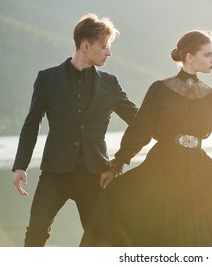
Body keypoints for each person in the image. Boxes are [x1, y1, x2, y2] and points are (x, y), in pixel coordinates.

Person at [80, 30, 212, 247]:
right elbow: (140, 130)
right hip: (163, 167)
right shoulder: (159, 90)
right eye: (207, 55)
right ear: (189, 57)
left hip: (200, 170)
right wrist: (117, 164)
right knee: (123, 201)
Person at [11, 13, 138, 247]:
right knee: (35, 234)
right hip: (55, 174)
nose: (109, 53)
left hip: (94, 176)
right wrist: (20, 165)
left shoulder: (110, 83)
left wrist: (119, 162)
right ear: (85, 45)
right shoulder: (47, 79)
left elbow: (139, 122)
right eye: (105, 47)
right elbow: (31, 124)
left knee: (101, 240)